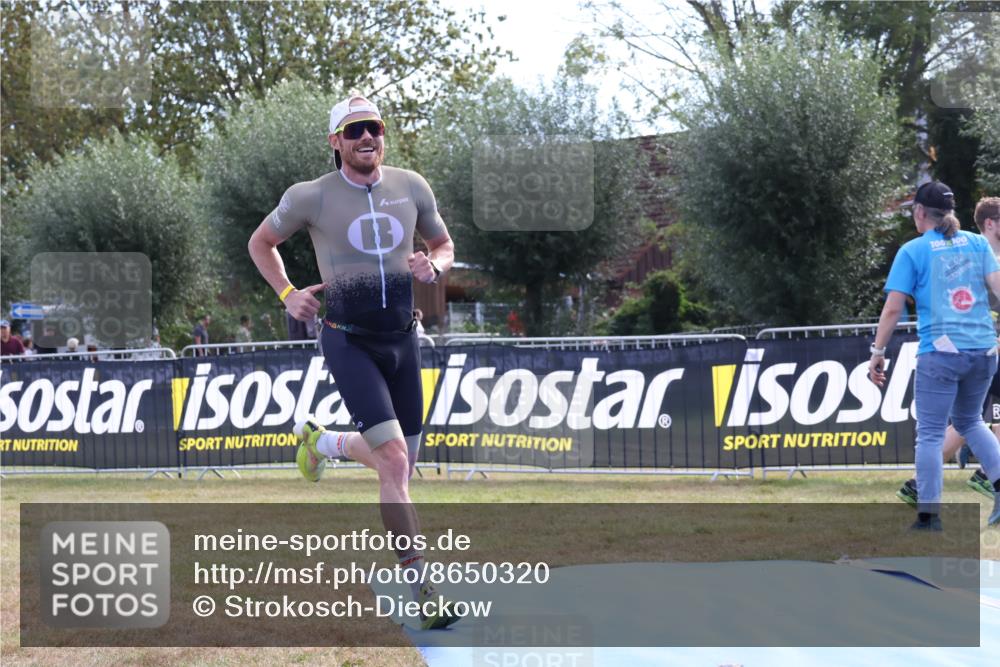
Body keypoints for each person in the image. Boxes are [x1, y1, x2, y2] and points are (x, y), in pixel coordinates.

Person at [247, 94, 458, 628]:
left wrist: (433, 264)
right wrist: (287, 293)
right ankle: (424, 591)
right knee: (392, 463)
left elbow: (444, 243)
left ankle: (324, 442)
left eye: (375, 128)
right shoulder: (311, 196)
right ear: (336, 141)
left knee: (402, 462)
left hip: (404, 340)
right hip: (348, 339)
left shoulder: (411, 186)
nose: (368, 137)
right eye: (355, 129)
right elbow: (261, 242)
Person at [870, 182, 1000, 530]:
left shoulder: (913, 250)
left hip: (942, 353)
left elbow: (892, 310)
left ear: (919, 213)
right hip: (985, 349)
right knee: (971, 421)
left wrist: (877, 352)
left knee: (929, 435)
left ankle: (928, 517)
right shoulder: (976, 242)